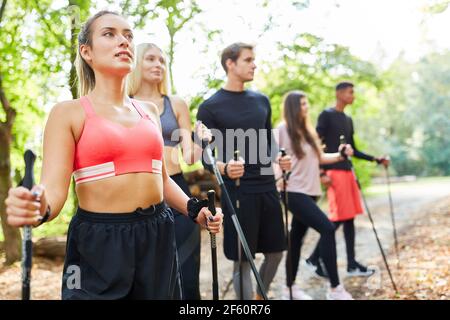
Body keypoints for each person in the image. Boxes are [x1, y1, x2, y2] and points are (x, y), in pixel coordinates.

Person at [4, 11, 222, 300]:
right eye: (110, 34)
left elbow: (160, 177)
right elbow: (53, 193)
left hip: (157, 234)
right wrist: (36, 206)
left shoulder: (150, 111)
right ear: (87, 52)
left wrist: (193, 209)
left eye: (129, 35)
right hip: (99, 242)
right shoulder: (68, 113)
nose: (124, 41)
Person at [197, 42, 291, 300]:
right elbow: (205, 156)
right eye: (248, 60)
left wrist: (281, 159)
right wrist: (224, 168)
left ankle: (259, 297)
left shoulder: (261, 100)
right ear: (230, 63)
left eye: (253, 60)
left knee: (276, 251)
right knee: (242, 259)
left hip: (267, 186)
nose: (254, 64)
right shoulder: (210, 107)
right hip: (237, 191)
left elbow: (269, 144)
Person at [128, 43, 211, 300]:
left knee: (187, 269)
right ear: (137, 64)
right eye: (150, 59)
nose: (158, 65)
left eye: (162, 61)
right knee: (148, 274)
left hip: (176, 188)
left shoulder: (175, 103)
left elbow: (188, 156)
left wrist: (201, 141)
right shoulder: (123, 104)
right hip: (135, 195)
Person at [275, 91, 353, 300]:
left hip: (311, 192)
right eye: (302, 104)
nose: (307, 107)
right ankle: (336, 289)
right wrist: (277, 181)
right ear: (292, 107)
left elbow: (320, 158)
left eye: (307, 103)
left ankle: (289, 288)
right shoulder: (282, 130)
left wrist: (340, 155)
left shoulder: (307, 131)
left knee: (296, 239)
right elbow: (271, 157)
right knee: (327, 229)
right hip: (293, 191)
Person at [306, 81, 389, 278]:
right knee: (337, 219)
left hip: (347, 171)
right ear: (340, 93)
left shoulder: (347, 119)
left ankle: (349, 263)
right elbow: (317, 145)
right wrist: (320, 171)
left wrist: (376, 159)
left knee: (348, 218)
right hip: (333, 173)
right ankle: (314, 258)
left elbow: (353, 149)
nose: (353, 96)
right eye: (351, 92)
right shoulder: (326, 115)